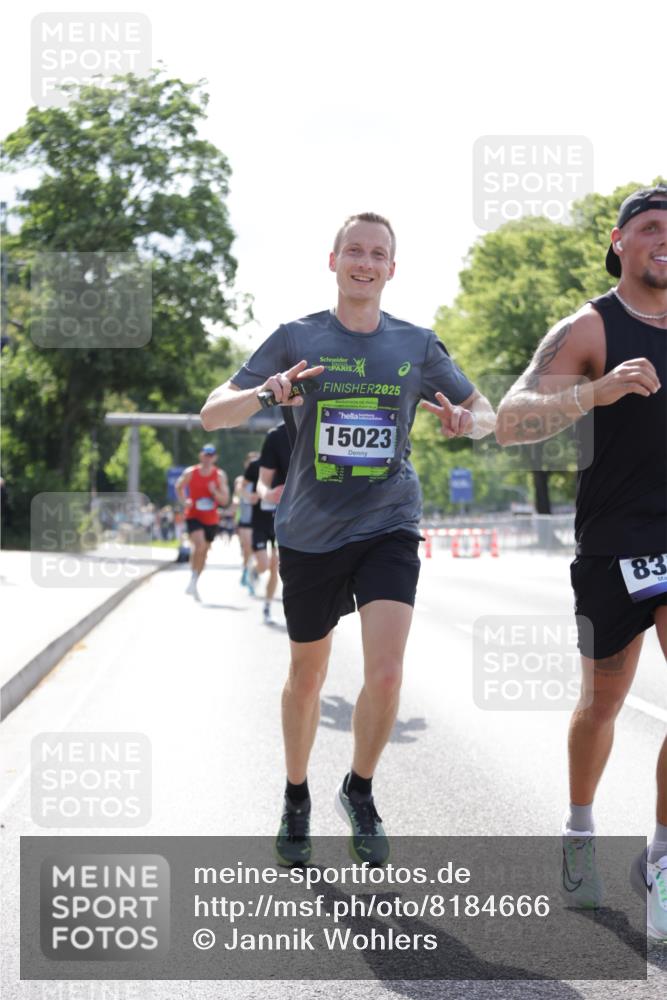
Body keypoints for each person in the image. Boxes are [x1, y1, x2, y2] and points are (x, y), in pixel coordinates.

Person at [201, 211, 495, 865]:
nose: (365, 262)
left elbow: (487, 414)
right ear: (332, 261)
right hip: (310, 532)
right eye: (354, 251)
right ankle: (296, 794)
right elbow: (211, 412)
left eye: (377, 253)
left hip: (389, 521)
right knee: (307, 677)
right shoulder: (296, 337)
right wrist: (265, 393)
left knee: (386, 674)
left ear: (392, 268)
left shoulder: (416, 344)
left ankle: (359, 789)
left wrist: (464, 422)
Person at [495, 185, 667, 937]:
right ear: (618, 241)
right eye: (650, 227)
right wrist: (595, 391)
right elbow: (510, 422)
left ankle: (660, 856)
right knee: (602, 702)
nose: (664, 239)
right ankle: (579, 829)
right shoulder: (591, 325)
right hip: (614, 543)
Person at [175, 443, 229, 601]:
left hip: (211, 519)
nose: (207, 458)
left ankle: (195, 580)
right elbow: (178, 486)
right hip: (193, 515)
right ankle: (192, 578)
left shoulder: (219, 476)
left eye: (210, 456)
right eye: (205, 455)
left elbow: (225, 500)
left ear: (215, 458)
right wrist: (184, 501)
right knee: (199, 545)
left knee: (204, 553)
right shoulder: (191, 472)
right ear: (201, 456)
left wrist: (214, 491)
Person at [254, 422, 292, 623]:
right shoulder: (277, 435)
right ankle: (268, 605)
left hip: (319, 514)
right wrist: (268, 494)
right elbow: (261, 483)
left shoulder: (328, 422)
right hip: (279, 513)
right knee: (275, 563)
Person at [234, 451, 260, 590]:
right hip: (244, 519)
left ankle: (251, 572)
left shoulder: (262, 479)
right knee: (247, 548)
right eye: (251, 463)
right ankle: (246, 570)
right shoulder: (241, 479)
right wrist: (248, 496)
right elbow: (238, 490)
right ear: (246, 464)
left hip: (258, 519)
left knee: (255, 550)